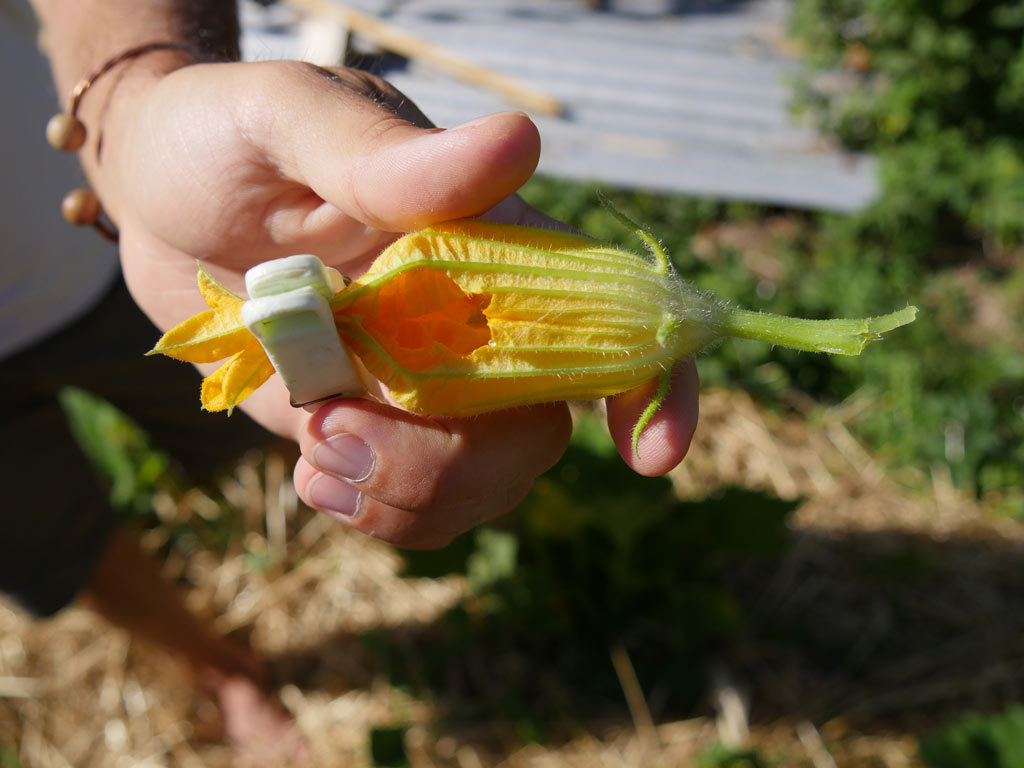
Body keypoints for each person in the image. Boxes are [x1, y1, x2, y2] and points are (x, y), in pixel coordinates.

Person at [2, 0, 700, 759]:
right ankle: (222, 671)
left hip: (131, 245)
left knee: (295, 428)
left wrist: (133, 99)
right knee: (52, 539)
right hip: (134, 258)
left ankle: (328, 501)